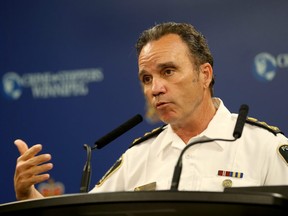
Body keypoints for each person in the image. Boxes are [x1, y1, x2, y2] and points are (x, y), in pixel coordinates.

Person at [13, 22, 288, 200]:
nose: (155, 88)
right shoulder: (138, 157)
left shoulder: (265, 146)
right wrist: (28, 194)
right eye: (146, 78)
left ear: (204, 74)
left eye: (168, 71)